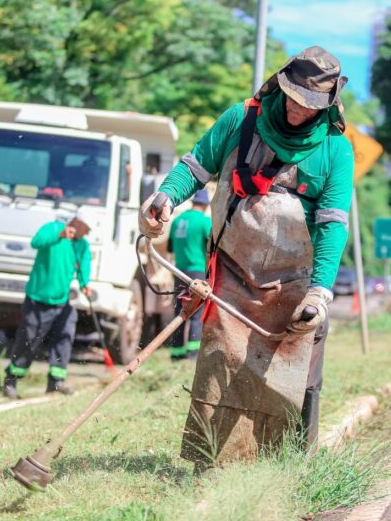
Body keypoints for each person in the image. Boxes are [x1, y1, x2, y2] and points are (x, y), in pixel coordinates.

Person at [139, 46, 354, 467]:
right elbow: (195, 167)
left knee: (298, 371)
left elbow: (332, 224)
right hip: (233, 273)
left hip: (296, 284)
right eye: (293, 98)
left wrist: (319, 294)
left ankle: (289, 466)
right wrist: (165, 196)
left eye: (309, 105)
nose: (297, 110)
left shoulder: (335, 150)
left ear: (326, 106)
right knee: (222, 360)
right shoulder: (241, 119)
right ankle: (210, 463)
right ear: (281, 85)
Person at [2, 213, 92, 399]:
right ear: (77, 223)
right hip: (38, 298)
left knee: (64, 336)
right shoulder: (53, 229)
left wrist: (85, 284)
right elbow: (36, 242)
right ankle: (11, 379)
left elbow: (84, 263)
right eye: (86, 228)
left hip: (62, 301)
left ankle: (56, 381)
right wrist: (59, 235)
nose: (88, 233)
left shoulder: (82, 244)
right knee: (29, 339)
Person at [167, 189, 212, 361]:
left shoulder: (177, 221)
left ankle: (176, 354)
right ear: (206, 205)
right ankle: (192, 354)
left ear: (193, 203)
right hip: (197, 271)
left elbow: (170, 248)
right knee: (197, 313)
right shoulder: (204, 222)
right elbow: (211, 247)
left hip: (179, 271)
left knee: (179, 312)